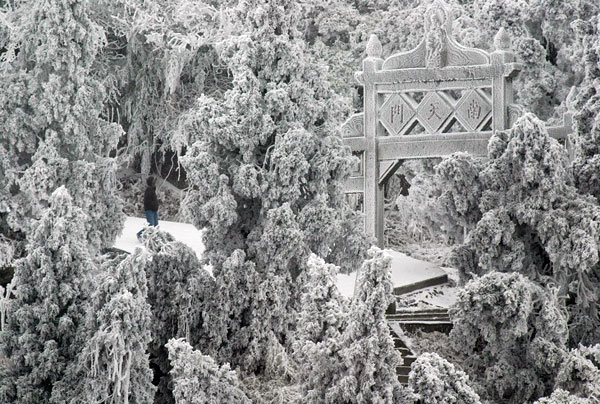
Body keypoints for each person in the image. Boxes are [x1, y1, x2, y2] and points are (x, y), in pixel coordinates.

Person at [137, 176, 159, 242]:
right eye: (154, 182)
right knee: (151, 225)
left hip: (154, 210)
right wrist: (153, 206)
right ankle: (139, 234)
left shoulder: (152, 190)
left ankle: (153, 238)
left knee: (155, 225)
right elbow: (147, 201)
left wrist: (156, 206)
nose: (155, 183)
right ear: (151, 183)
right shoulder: (149, 190)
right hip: (149, 210)